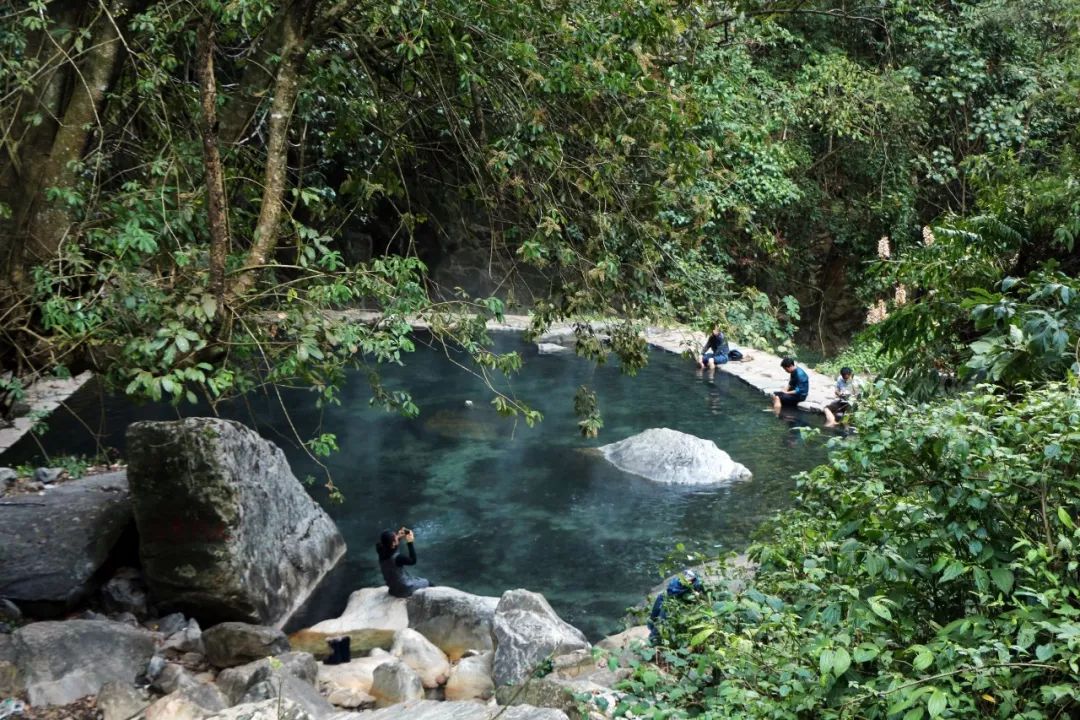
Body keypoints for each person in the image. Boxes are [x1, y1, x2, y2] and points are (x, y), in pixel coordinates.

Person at [648, 570, 704, 644]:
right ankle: (652, 622)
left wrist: (696, 594)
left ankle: (655, 636)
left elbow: (701, 594)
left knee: (665, 612)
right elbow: (670, 591)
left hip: (686, 603)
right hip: (676, 598)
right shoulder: (676, 582)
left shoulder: (697, 583)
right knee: (661, 599)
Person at [376, 526, 431, 598]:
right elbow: (413, 561)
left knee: (416, 579)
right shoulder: (397, 558)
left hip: (393, 589)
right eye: (395, 537)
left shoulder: (380, 550)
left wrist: (399, 537)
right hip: (405, 590)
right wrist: (410, 542)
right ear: (393, 543)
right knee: (428, 583)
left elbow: (391, 546)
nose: (397, 537)